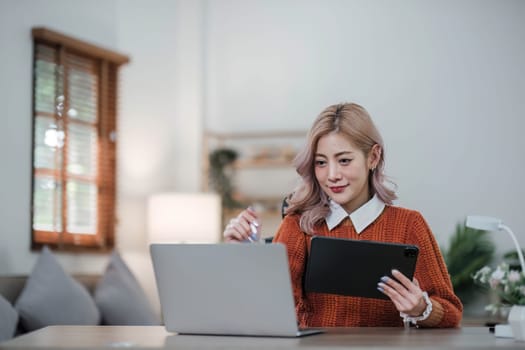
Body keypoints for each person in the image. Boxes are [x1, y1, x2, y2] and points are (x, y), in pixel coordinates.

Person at [223, 102, 462, 328]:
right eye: (321, 163)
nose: (332, 175)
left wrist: (421, 308)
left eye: (344, 160)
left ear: (373, 157)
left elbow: (451, 311)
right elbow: (269, 309)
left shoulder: (409, 224)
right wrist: (247, 257)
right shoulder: (299, 225)